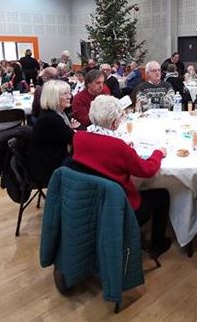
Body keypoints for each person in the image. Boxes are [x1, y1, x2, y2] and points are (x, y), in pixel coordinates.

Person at [70, 95, 172, 257]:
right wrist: (158, 153)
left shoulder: (78, 137)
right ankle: (157, 244)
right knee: (162, 195)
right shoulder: (118, 147)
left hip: (90, 200)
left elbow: (99, 154)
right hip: (120, 206)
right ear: (114, 122)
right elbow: (147, 170)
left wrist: (124, 149)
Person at [27, 80, 79, 185]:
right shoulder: (51, 118)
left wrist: (69, 129)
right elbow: (75, 139)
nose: (70, 96)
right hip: (47, 168)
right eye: (65, 94)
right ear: (53, 97)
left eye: (69, 93)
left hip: (49, 161)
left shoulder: (55, 114)